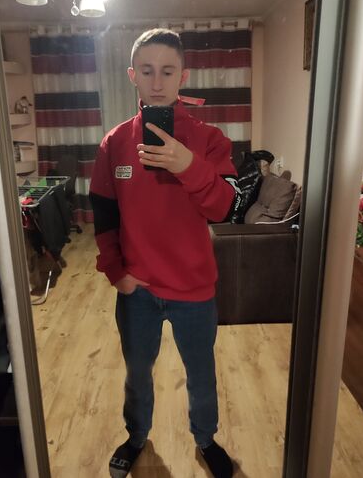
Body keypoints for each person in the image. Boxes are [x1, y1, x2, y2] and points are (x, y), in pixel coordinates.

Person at [89, 28, 238, 478]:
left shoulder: (209, 139)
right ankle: (137, 437)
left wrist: (188, 165)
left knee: (201, 372)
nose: (157, 82)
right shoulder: (115, 142)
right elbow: (103, 213)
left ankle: (205, 438)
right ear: (132, 75)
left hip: (194, 287)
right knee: (137, 373)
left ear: (183, 76)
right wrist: (115, 271)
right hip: (138, 289)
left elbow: (224, 208)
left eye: (168, 71)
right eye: (148, 71)